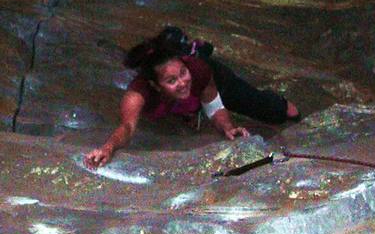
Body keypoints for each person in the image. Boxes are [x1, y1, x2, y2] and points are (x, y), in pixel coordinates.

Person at [84, 27, 300, 168]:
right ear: (154, 85)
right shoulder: (137, 94)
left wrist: (227, 127)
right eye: (171, 81)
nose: (182, 81)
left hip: (214, 79)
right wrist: (108, 148)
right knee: (183, 116)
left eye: (182, 73)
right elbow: (127, 127)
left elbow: (213, 105)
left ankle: (200, 50)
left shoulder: (197, 70)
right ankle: (186, 111)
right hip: (180, 100)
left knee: (276, 111)